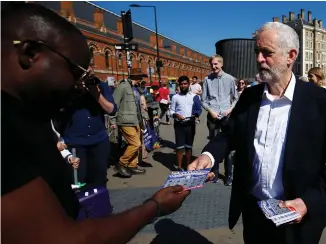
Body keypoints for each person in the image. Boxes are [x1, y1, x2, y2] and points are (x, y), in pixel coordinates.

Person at [1, 3, 190, 243]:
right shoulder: (7, 129)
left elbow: (110, 109)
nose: (79, 82)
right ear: (29, 54)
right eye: (75, 70)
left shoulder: (24, 116)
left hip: (97, 142)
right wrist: (154, 206)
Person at [188, 21, 326, 244]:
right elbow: (229, 135)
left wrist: (308, 202)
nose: (259, 59)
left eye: (267, 52)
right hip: (254, 214)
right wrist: (209, 155)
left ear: (291, 56)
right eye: (257, 52)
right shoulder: (250, 97)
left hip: (297, 218)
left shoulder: (323, 102)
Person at [201, 54, 239, 183]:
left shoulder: (229, 79)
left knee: (228, 145)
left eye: (216, 64)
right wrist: (210, 111)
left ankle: (229, 175)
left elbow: (236, 98)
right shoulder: (207, 80)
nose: (213, 66)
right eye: (212, 64)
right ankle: (215, 173)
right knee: (214, 145)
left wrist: (230, 109)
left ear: (221, 64)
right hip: (213, 116)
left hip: (226, 116)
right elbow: (203, 100)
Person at [112, 68, 149, 177]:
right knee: (135, 143)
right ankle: (120, 164)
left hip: (135, 120)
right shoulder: (123, 86)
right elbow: (114, 104)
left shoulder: (135, 88)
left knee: (137, 144)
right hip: (125, 120)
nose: (142, 78)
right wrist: (113, 121)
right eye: (140, 76)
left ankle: (132, 166)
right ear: (135, 76)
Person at [169, 76, 202, 170]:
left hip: (190, 125)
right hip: (179, 125)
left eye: (185, 84)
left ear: (188, 84)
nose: (183, 86)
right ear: (179, 85)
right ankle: (179, 168)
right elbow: (170, 111)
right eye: (181, 84)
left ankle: (187, 166)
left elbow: (198, 109)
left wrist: (196, 114)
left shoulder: (195, 97)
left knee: (188, 147)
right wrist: (176, 115)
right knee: (179, 147)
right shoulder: (175, 97)